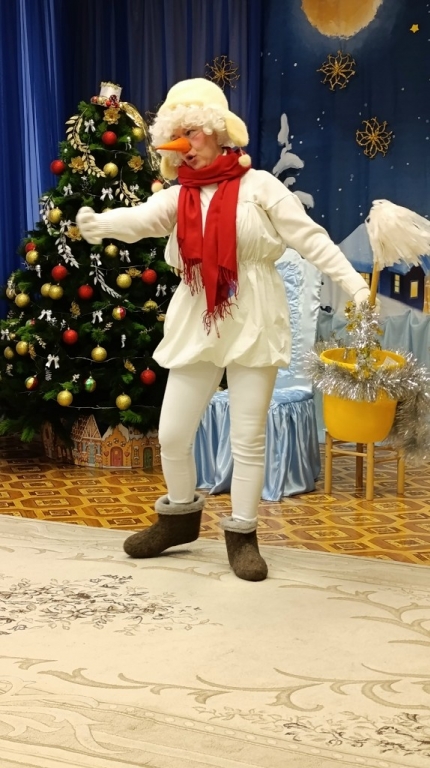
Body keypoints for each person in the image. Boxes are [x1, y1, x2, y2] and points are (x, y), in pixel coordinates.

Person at [77, 78, 371, 582]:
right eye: (175, 138)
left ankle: (243, 535)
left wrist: (356, 286)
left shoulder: (261, 187)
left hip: (253, 315)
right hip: (197, 316)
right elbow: (141, 220)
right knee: (173, 433)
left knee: (247, 436)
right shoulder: (180, 196)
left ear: (216, 131)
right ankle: (178, 520)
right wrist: (99, 224)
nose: (184, 147)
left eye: (191, 133)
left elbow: (311, 239)